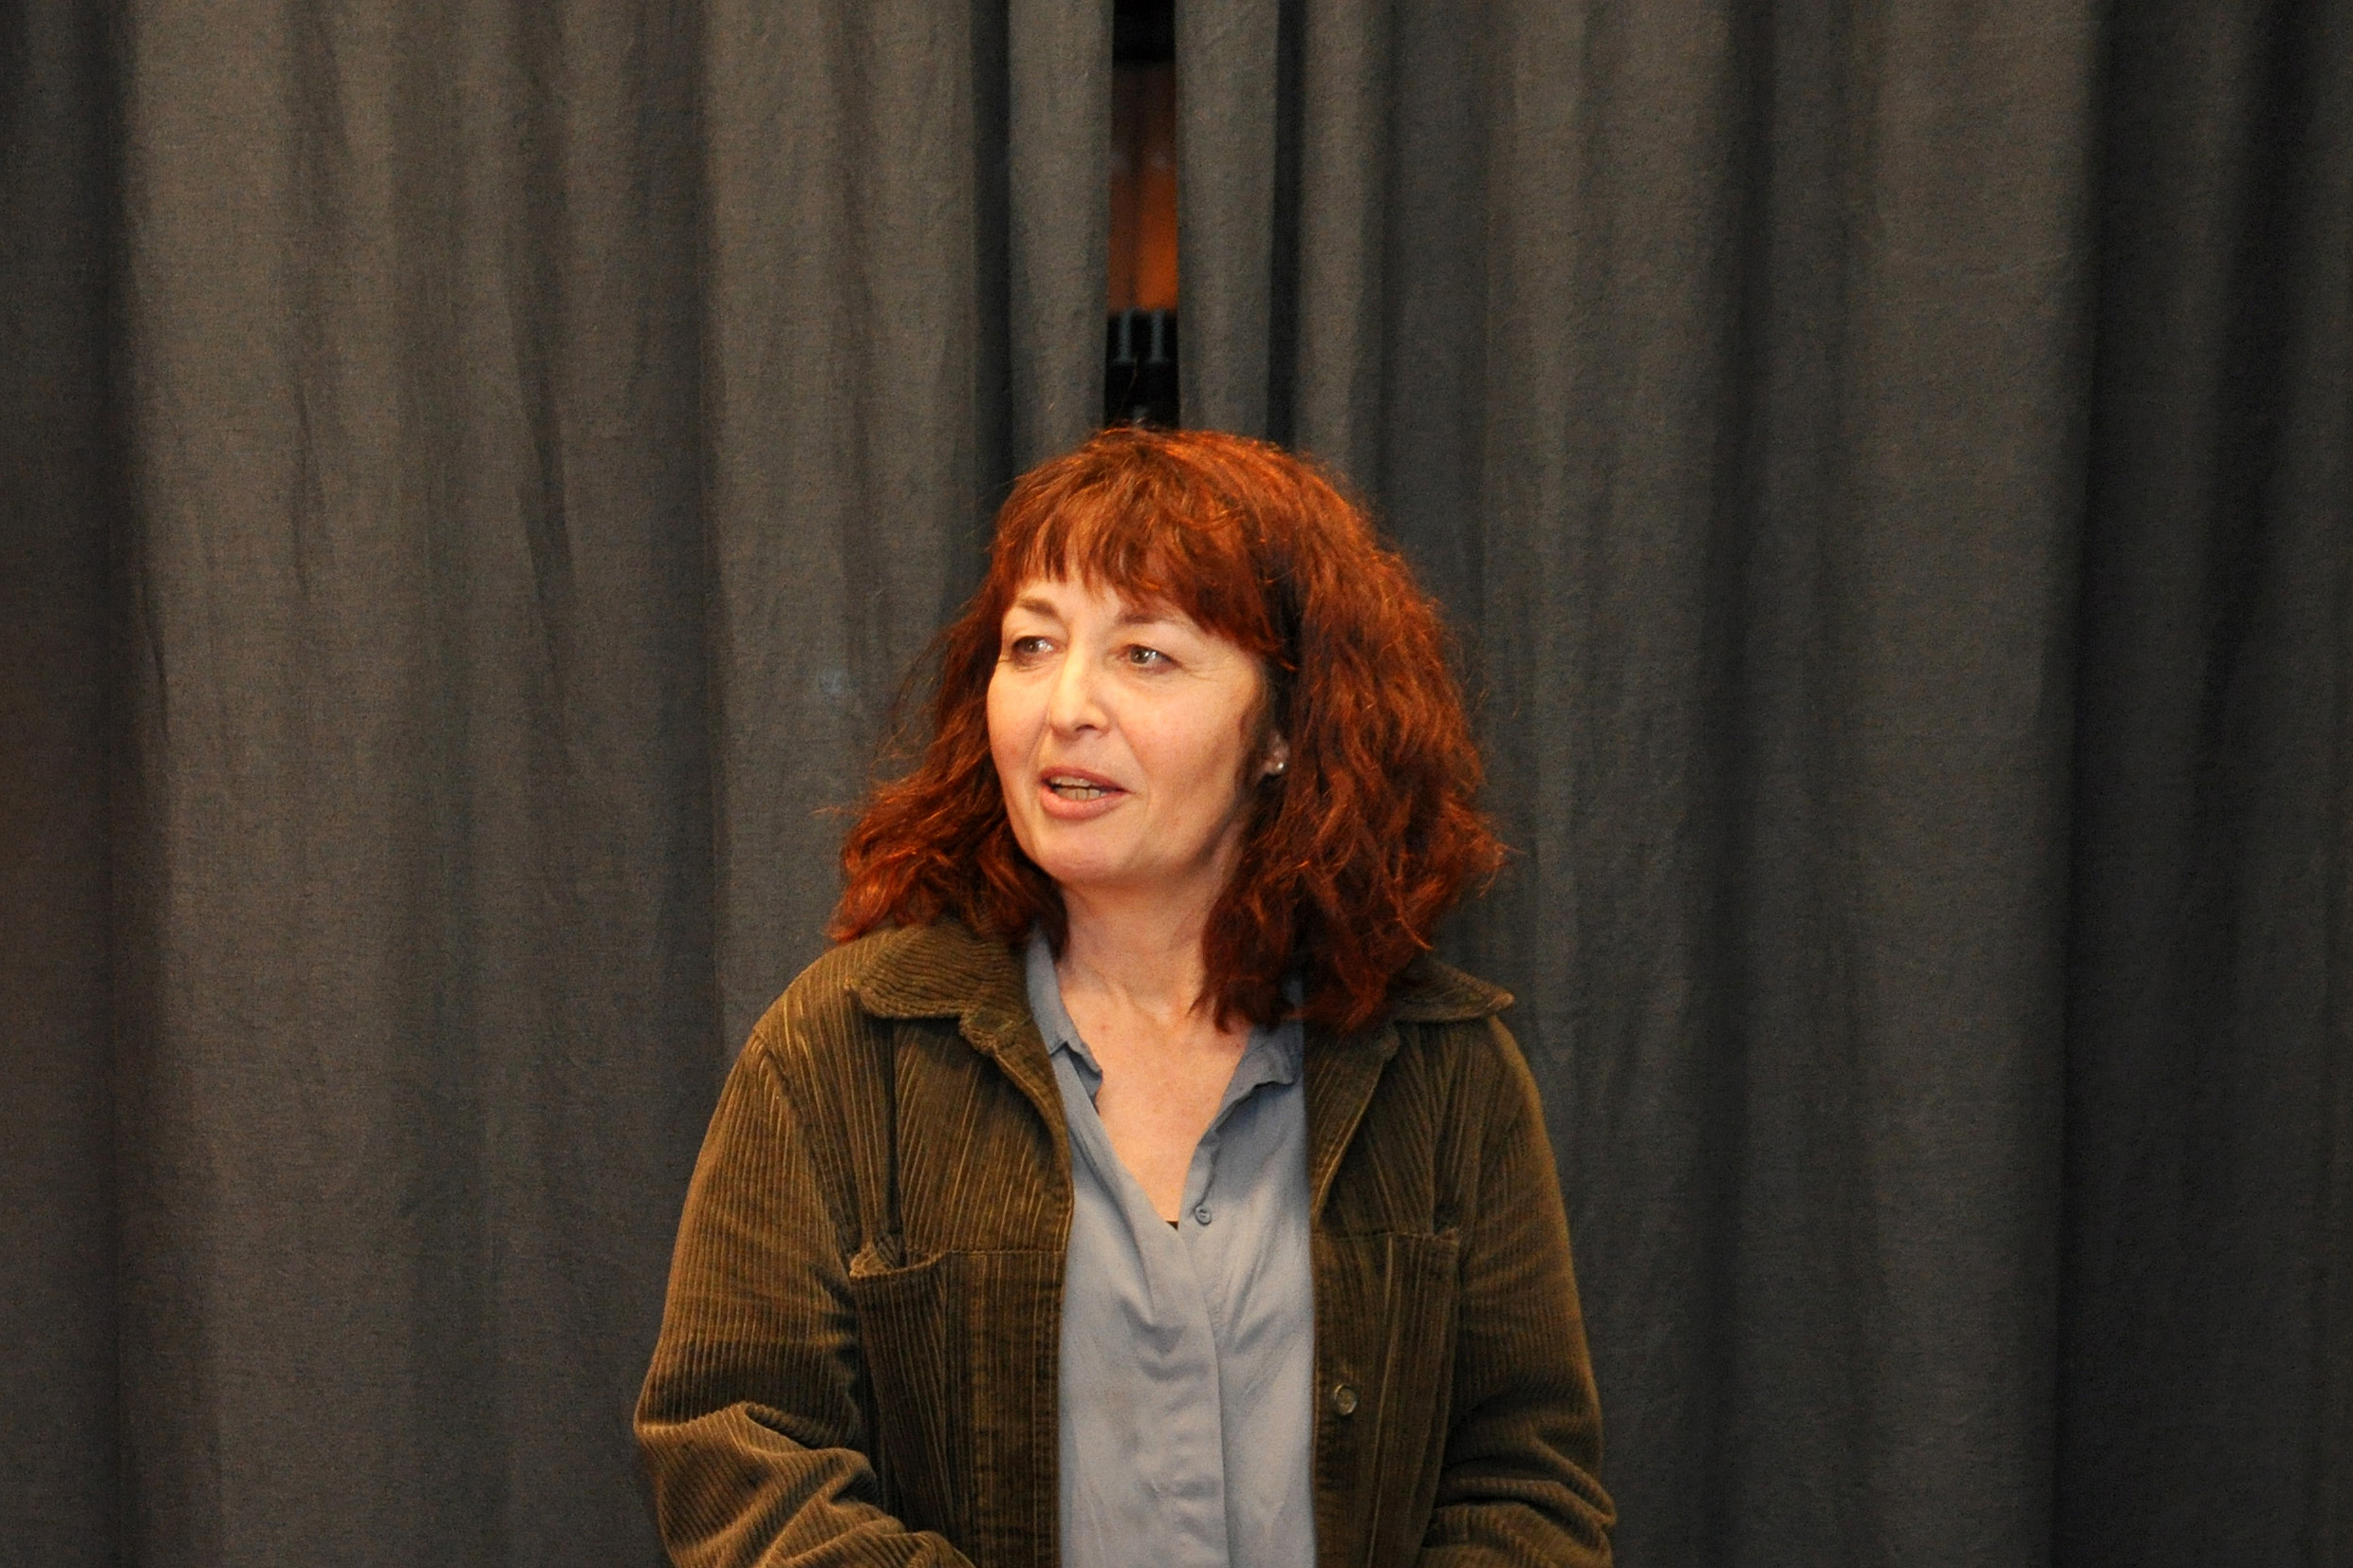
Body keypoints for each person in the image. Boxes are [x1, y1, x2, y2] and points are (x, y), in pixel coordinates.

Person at [636, 427, 1614, 1568]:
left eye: (1144, 654)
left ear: (1284, 730)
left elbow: (1524, 1487)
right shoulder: (847, 1048)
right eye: (1032, 644)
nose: (1066, 706)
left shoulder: (1440, 1068)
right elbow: (738, 1450)